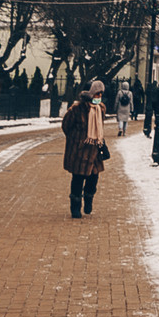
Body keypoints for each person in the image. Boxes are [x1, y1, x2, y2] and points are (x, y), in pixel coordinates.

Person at [62, 79, 108, 218]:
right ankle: (75, 207)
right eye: (96, 94)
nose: (99, 98)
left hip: (95, 150)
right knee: (77, 179)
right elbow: (66, 126)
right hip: (80, 150)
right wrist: (77, 140)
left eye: (100, 94)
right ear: (89, 94)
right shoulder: (76, 109)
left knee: (93, 179)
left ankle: (88, 199)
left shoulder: (101, 109)